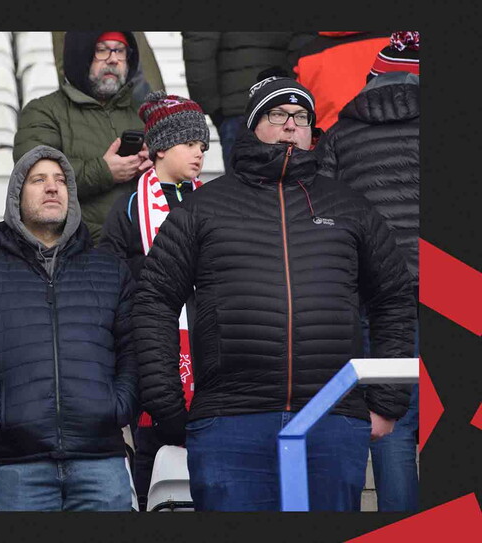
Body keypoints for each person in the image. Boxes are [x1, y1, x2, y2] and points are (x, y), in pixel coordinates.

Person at [133, 73, 416, 512]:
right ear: (252, 125)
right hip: (230, 423)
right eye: (278, 113)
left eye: (301, 116)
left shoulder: (350, 206)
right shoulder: (204, 208)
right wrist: (168, 406)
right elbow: (153, 299)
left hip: (332, 420)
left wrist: (386, 401)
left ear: (312, 131)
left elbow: (393, 298)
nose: (290, 125)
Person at [0, 145, 139, 511]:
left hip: (102, 458)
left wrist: (117, 407)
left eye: (61, 181)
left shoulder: (109, 268)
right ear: (17, 195)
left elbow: (134, 350)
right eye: (39, 180)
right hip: (20, 464)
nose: (53, 188)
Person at [317, 31, 420, 512]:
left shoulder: (340, 134)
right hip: (455, 296)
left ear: (373, 77)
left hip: (375, 299)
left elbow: (326, 219)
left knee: (390, 421)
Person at [98, 92, 209, 505]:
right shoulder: (127, 207)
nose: (198, 153)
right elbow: (112, 273)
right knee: (150, 444)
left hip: (205, 340)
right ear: (161, 147)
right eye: (189, 144)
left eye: (202, 146)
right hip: (150, 342)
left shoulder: (211, 201)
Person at [14, 31, 152, 244]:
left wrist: (156, 168)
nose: (114, 59)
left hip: (140, 245)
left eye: (120, 51)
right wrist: (105, 171)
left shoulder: (142, 114)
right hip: (78, 249)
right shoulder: (43, 111)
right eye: (102, 50)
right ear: (80, 56)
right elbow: (36, 178)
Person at [181, 32, 312, 169]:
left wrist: (211, 107)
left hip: (236, 106)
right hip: (283, 101)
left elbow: (199, 44)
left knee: (240, 184)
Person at [289, 32, 392, 132]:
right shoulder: (400, 43)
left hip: (332, 142)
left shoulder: (308, 55)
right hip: (394, 140)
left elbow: (298, 120)